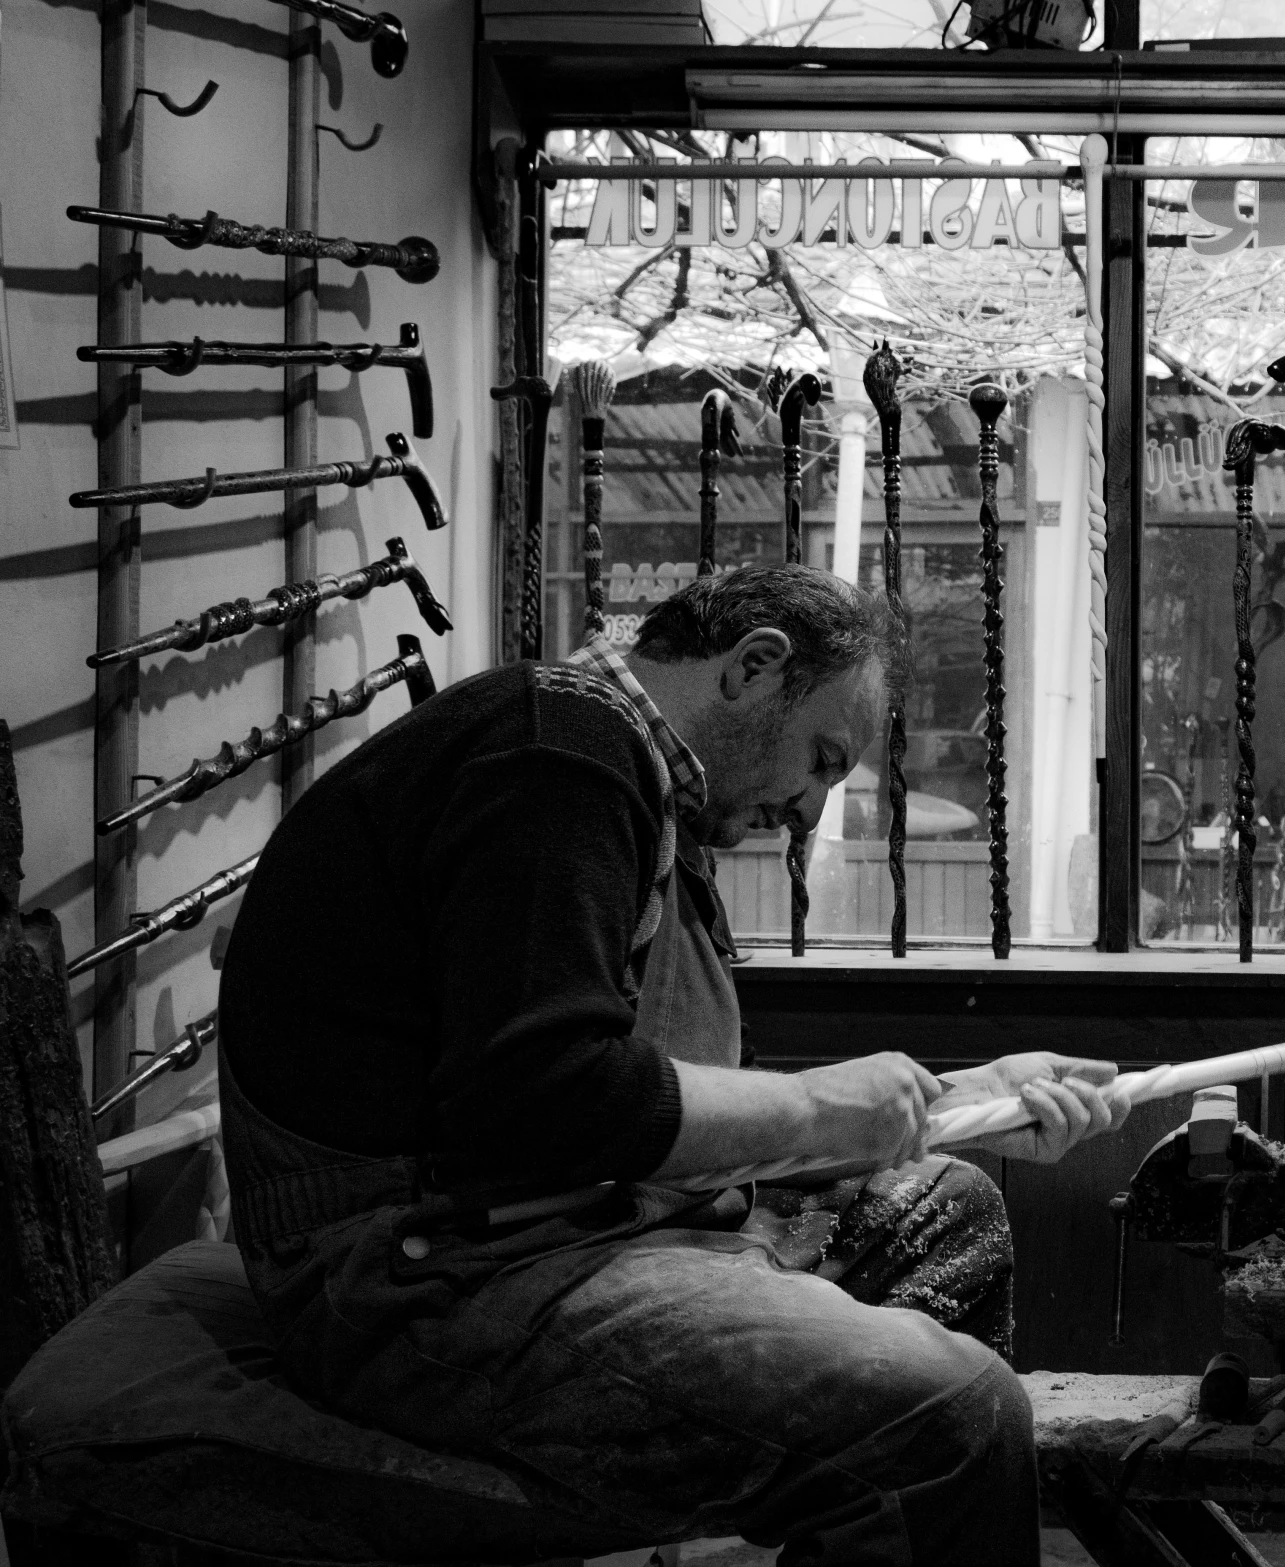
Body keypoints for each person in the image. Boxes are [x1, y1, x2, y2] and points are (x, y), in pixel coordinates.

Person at [218, 566, 1128, 1566]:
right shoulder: (557, 754)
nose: (810, 810)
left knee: (945, 1201)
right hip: (429, 1280)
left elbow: (666, 1088)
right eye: (821, 758)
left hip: (561, 1212)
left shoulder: (634, 785)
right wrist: (821, 1111)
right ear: (753, 666)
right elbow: (542, 1095)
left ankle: (847, 1482)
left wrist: (960, 1101)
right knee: (956, 1412)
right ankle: (874, 1446)